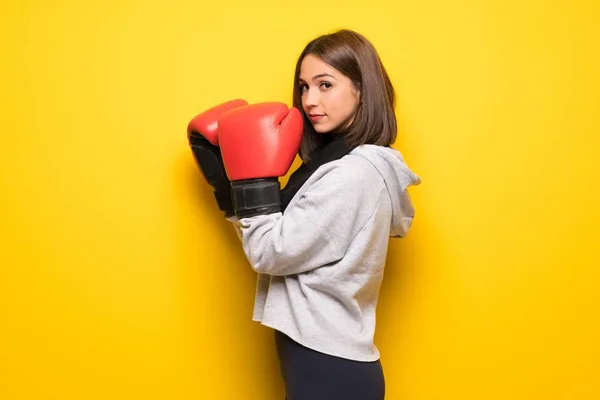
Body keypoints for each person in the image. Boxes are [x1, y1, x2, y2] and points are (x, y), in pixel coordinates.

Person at [187, 29, 421, 400]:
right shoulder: (328, 163)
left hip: (329, 365)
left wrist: (248, 186)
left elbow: (270, 254)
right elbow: (273, 242)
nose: (309, 100)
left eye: (325, 85)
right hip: (322, 356)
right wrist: (231, 193)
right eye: (303, 87)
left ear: (363, 89)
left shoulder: (353, 174)